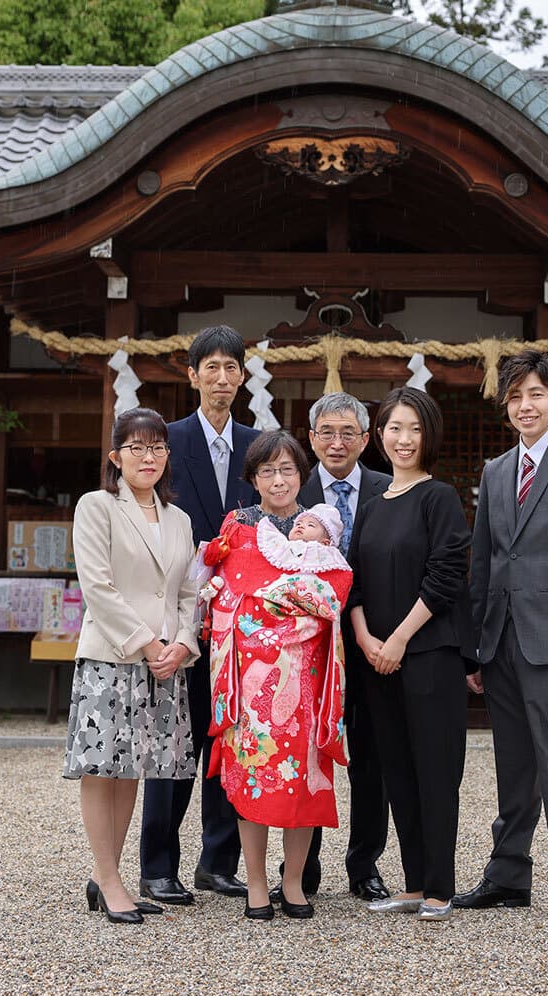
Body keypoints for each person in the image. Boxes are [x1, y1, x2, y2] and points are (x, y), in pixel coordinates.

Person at [454, 349, 548, 926]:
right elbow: (484, 564)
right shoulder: (496, 471)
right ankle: (508, 875)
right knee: (513, 763)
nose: (525, 405)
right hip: (500, 642)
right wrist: (476, 648)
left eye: (536, 394)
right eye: (515, 396)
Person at [203, 432, 352, 921]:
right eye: (267, 471)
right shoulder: (239, 526)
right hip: (252, 679)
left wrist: (278, 611)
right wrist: (267, 618)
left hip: (305, 678)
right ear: (253, 479)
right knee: (253, 779)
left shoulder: (318, 530)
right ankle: (255, 883)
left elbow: (332, 594)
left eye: (288, 469)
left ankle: (293, 882)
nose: (279, 480)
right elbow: (227, 595)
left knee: (303, 781)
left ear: (302, 475)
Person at [63, 407, 199, 924]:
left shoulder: (179, 520)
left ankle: (108, 877)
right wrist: (147, 643)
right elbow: (97, 586)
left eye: (157, 447)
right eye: (136, 448)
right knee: (102, 770)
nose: (148, 457)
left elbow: (189, 593)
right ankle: (109, 879)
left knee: (132, 770)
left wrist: (182, 644)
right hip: (112, 656)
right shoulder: (97, 506)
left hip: (163, 663)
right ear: (116, 457)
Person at [139, 325, 259, 906]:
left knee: (228, 739)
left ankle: (219, 861)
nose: (221, 377)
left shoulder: (259, 446)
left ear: (243, 376)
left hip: (240, 622)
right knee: (173, 743)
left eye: (230, 367)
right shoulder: (168, 441)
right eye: (210, 366)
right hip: (179, 617)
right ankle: (158, 865)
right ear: (192, 376)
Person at [349, 387, 475, 922]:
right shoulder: (372, 504)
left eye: (415, 429)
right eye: (394, 428)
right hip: (376, 659)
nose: (404, 439)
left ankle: (441, 889)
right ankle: (415, 882)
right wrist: (364, 638)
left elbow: (446, 575)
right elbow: (351, 579)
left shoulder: (438, 497)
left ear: (430, 435)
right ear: (380, 435)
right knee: (396, 771)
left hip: (428, 656)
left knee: (434, 771)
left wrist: (399, 639)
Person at [295, 391, 392, 902]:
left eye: (348, 433)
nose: (337, 442)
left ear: (366, 438)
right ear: (311, 439)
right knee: (308, 751)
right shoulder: (292, 488)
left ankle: (364, 863)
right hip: (308, 646)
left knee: (372, 756)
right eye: (327, 433)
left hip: (373, 641)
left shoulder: (389, 488)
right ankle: (301, 865)